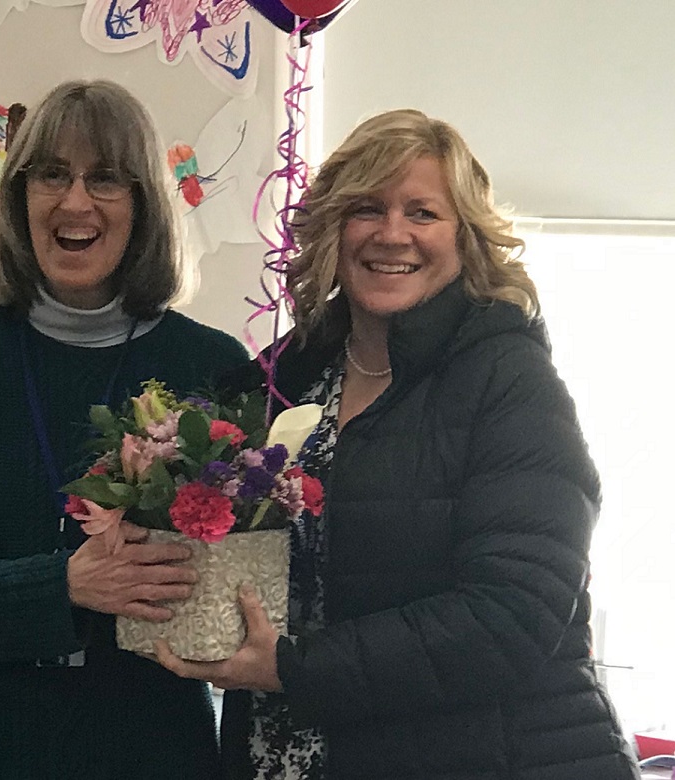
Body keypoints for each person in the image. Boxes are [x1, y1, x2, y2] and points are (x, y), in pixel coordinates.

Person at [154, 109, 639, 780]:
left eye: (422, 213)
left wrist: (292, 668)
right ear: (332, 227)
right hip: (290, 749)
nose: (392, 234)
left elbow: (515, 614)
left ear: (466, 237)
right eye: (367, 209)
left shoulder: (509, 380)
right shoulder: (283, 381)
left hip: (489, 755)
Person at [0, 80, 248, 779]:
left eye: (106, 178)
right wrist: (67, 584)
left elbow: (234, 588)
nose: (75, 202)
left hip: (149, 750)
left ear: (143, 204)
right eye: (51, 174)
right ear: (20, 197)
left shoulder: (212, 366)